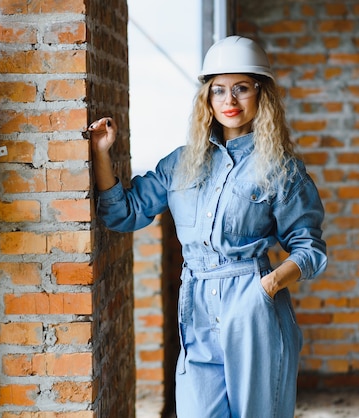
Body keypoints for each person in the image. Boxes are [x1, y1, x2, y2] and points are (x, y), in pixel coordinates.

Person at [87, 35, 327, 418]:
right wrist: (101, 153)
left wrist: (268, 285)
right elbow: (123, 213)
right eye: (219, 90)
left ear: (261, 94)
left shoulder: (282, 169)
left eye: (241, 89)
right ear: (207, 99)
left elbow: (310, 249)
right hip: (196, 306)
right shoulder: (182, 163)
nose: (229, 101)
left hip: (253, 306)